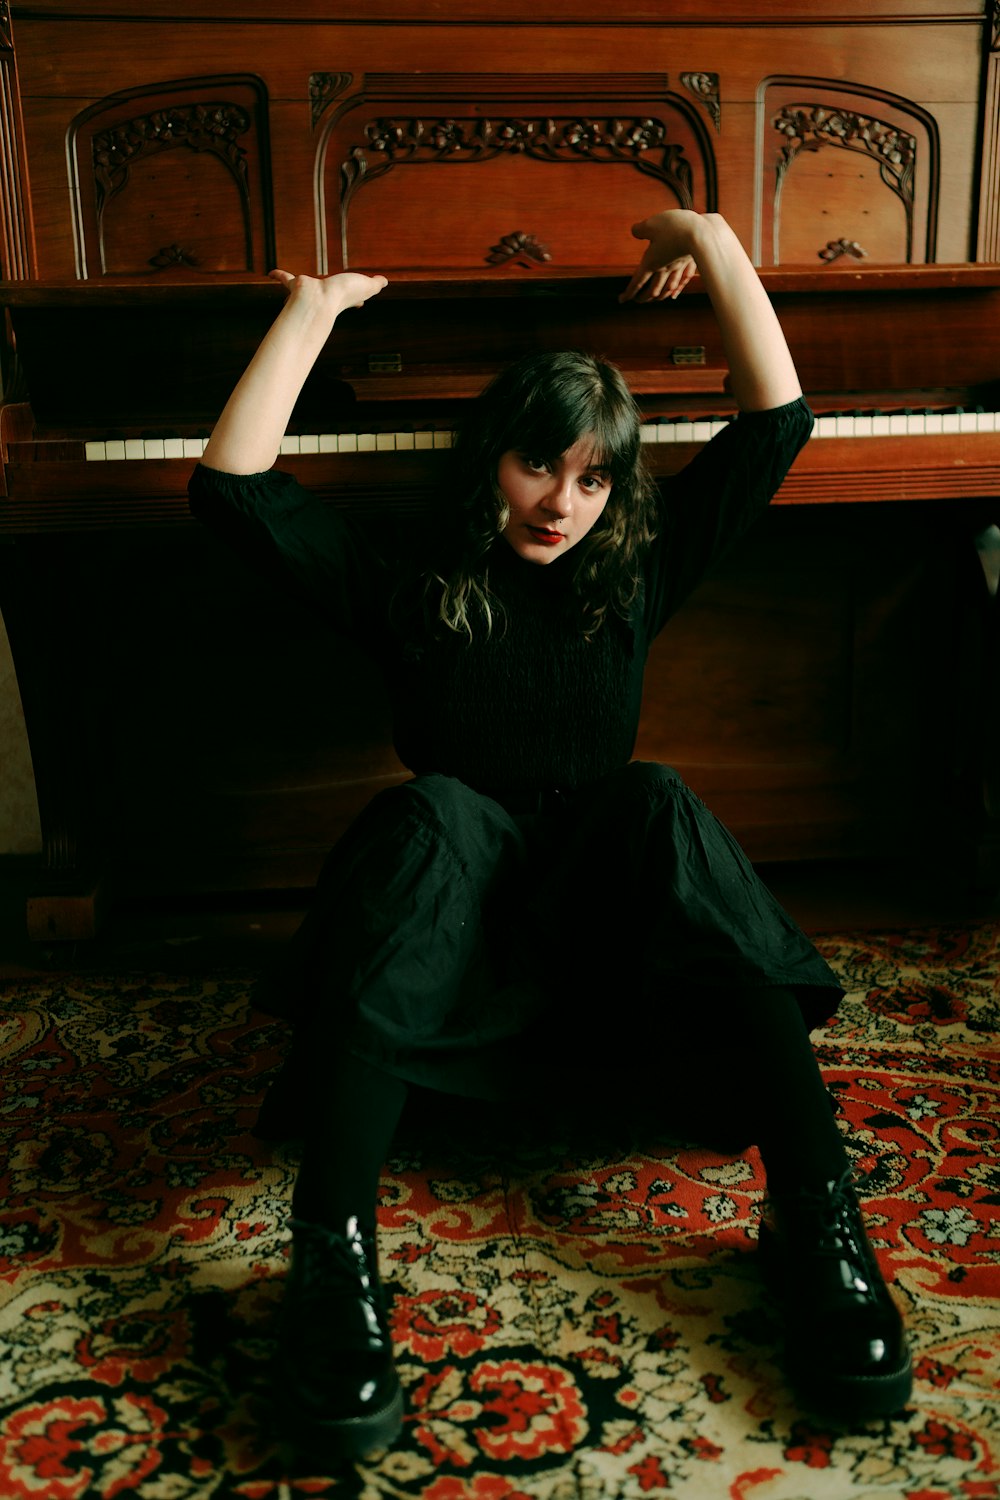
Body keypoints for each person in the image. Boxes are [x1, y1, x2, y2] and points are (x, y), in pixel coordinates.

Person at [188, 209, 913, 1460]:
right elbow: (233, 491)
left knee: (655, 796)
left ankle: (817, 1224)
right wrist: (312, 311)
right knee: (430, 808)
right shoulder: (418, 588)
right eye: (539, 467)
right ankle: (332, 1261)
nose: (562, 503)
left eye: (592, 478)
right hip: (446, 932)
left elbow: (775, 421)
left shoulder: (632, 567)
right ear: (490, 463)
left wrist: (713, 240)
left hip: (605, 945)